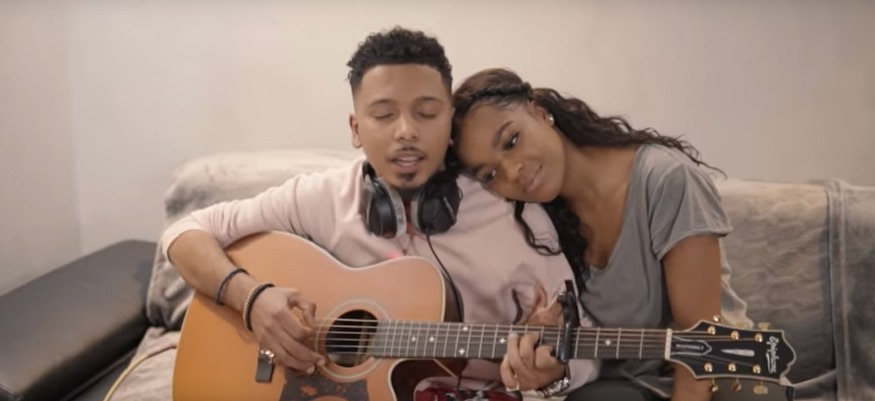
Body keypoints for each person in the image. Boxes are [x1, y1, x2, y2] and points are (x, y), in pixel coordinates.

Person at [161, 28, 599, 400]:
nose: (406, 131)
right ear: (356, 129)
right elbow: (185, 233)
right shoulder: (320, 197)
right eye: (384, 114)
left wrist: (553, 371)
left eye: (426, 113)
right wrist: (252, 300)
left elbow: (583, 341)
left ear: (450, 125)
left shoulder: (514, 214)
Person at [449, 68, 754, 401]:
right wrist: (546, 361)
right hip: (630, 386)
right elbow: (581, 358)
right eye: (490, 174)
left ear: (540, 112)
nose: (512, 172)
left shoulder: (667, 180)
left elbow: (701, 349)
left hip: (719, 375)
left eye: (512, 141)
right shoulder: (539, 224)